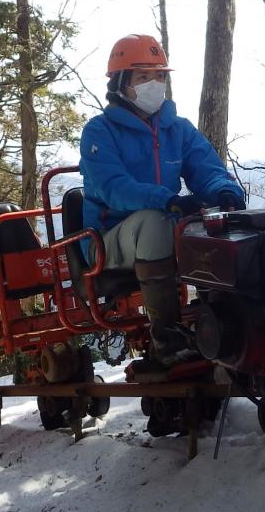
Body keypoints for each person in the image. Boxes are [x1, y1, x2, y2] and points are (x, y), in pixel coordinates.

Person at [79, 34, 246, 367]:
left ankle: (224, 326)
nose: (154, 84)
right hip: (107, 237)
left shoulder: (177, 129)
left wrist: (224, 192)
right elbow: (114, 187)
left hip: (168, 223)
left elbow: (207, 167)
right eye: (143, 77)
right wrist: (166, 199)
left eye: (160, 76)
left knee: (219, 222)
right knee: (154, 223)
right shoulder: (99, 132)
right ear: (121, 83)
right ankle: (167, 339)